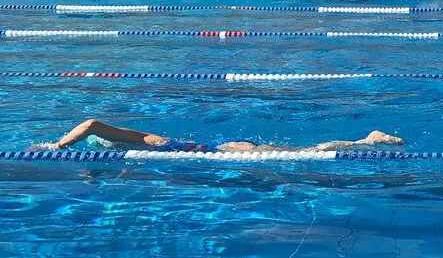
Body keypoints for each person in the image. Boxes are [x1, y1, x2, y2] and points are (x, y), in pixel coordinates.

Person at [36, 119, 405, 153]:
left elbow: (91, 124)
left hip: (223, 149)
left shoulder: (139, 139)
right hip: (218, 147)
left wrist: (58, 145)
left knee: (307, 151)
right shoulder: (145, 141)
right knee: (301, 150)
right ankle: (364, 141)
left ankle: (367, 141)